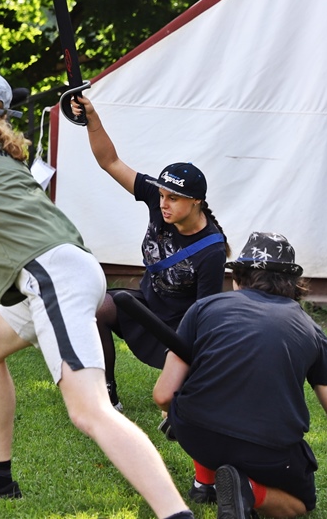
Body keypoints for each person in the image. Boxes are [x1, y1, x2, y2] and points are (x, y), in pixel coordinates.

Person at [0, 69, 195, 519]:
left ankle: (175, 513)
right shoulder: (2, 153)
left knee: (90, 411)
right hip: (69, 267)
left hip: (50, 276)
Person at [153, 232, 327, 518]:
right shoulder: (311, 330)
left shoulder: (203, 308)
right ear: (293, 285)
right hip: (267, 449)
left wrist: (177, 411)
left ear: (237, 278)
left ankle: (205, 483)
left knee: (180, 403)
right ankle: (248, 490)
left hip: (194, 432)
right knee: (300, 505)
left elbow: (163, 395)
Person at [71, 94, 229, 410]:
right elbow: (110, 162)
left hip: (179, 326)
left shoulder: (212, 250)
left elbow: (206, 313)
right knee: (96, 307)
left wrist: (195, 357)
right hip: (145, 304)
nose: (163, 204)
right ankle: (106, 393)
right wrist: (92, 119)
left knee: (180, 400)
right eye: (161, 195)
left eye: (173, 198)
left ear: (196, 202)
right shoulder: (159, 204)